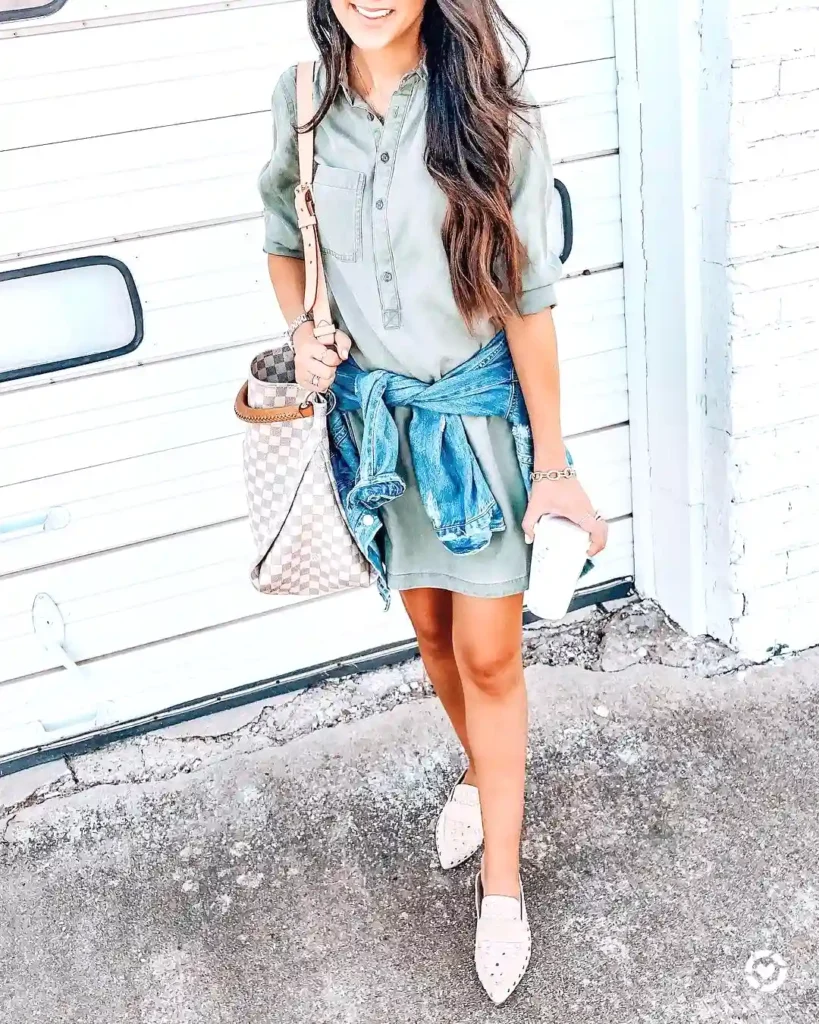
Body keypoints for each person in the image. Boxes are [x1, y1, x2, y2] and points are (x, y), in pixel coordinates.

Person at [258, 0, 608, 1004]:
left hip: (480, 429)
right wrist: (306, 325)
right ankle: (479, 773)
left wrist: (553, 465)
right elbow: (285, 235)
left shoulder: (494, 110)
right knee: (431, 636)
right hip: (378, 434)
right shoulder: (300, 104)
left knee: (491, 654)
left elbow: (531, 304)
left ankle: (503, 882)